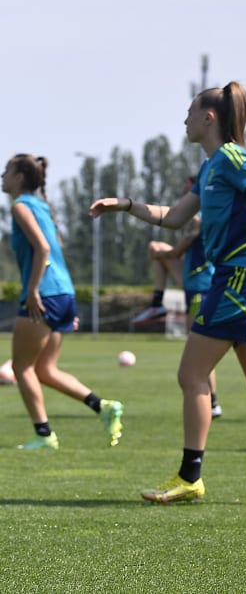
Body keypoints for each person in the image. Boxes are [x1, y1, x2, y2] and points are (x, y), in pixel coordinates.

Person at [90, 82, 246, 507]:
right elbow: (174, 217)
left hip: (240, 278)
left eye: (190, 112)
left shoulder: (232, 157)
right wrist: (124, 204)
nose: (184, 120)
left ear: (209, 118)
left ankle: (189, 477)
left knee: (191, 375)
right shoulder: (212, 168)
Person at [4, 154, 124, 450]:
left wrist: (32, 291)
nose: (2, 177)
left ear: (19, 177)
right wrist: (63, 303)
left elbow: (42, 249)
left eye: (5, 171)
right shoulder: (43, 206)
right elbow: (55, 250)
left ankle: (44, 435)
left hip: (43, 295)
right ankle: (104, 406)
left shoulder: (20, 206)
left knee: (22, 367)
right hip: (62, 294)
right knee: (45, 370)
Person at [132, 203, 224, 418]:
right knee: (157, 250)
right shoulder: (206, 214)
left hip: (202, 286)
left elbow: (178, 250)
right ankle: (157, 304)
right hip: (194, 282)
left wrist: (167, 251)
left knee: (200, 349)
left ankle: (213, 403)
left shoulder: (199, 218)